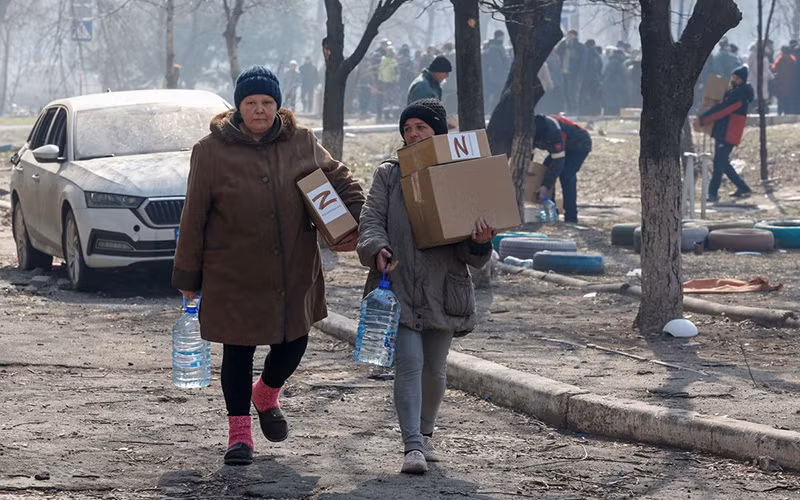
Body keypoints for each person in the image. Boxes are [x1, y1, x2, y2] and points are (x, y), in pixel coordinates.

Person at [172, 65, 365, 466]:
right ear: (238, 106)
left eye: (267, 102)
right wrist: (188, 277)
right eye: (250, 102)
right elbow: (193, 217)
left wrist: (358, 222)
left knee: (294, 340)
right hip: (232, 271)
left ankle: (267, 393)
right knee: (238, 353)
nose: (259, 110)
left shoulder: (301, 141)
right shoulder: (210, 151)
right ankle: (239, 436)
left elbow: (339, 180)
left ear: (277, 105)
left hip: (293, 269)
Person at [357, 98, 495, 474]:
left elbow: (473, 255)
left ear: (439, 134)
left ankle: (427, 434)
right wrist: (376, 248)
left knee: (435, 368)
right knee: (410, 363)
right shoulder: (389, 174)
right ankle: (412, 447)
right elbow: (370, 220)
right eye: (408, 129)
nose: (413, 134)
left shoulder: (460, 175)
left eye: (421, 128)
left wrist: (481, 241)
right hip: (397, 283)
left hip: (443, 289)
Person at [698, 65, 754, 202]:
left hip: (728, 133)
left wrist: (704, 119)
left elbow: (723, 110)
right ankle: (744, 188)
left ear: (742, 79)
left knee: (719, 163)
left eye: (736, 77)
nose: (733, 79)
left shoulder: (739, 95)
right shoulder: (735, 92)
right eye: (732, 77)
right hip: (725, 132)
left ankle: (712, 194)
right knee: (723, 163)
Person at [532, 114, 592, 223]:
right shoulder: (530, 129)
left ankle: (571, 217)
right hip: (564, 147)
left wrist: (546, 186)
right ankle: (551, 211)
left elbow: (558, 163)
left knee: (566, 175)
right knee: (545, 169)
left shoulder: (553, 132)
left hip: (579, 145)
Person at [554, 30, 585, 113]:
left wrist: (579, 73)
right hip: (563, 72)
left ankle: (574, 110)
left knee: (573, 92)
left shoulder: (580, 47)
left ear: (575, 36)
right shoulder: (563, 45)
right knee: (565, 92)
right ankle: (567, 109)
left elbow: (583, 61)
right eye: (568, 35)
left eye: (570, 35)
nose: (568, 37)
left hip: (574, 73)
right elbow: (557, 52)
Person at [483, 30, 511, 113]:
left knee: (498, 94)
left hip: (497, 75)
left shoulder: (494, 47)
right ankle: (493, 111)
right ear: (499, 36)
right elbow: (497, 63)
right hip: (498, 76)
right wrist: (505, 70)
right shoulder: (495, 48)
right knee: (498, 94)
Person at [579, 39, 603, 116]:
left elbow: (582, 65)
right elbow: (600, 66)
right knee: (595, 95)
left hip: (586, 78)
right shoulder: (596, 55)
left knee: (585, 94)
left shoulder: (585, 53)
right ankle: (595, 111)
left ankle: (585, 111)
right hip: (596, 78)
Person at [771, 46, 796, 115]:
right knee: (789, 97)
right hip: (790, 81)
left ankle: (780, 111)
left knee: (781, 98)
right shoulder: (792, 58)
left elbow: (774, 68)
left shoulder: (780, 58)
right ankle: (788, 111)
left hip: (781, 81)